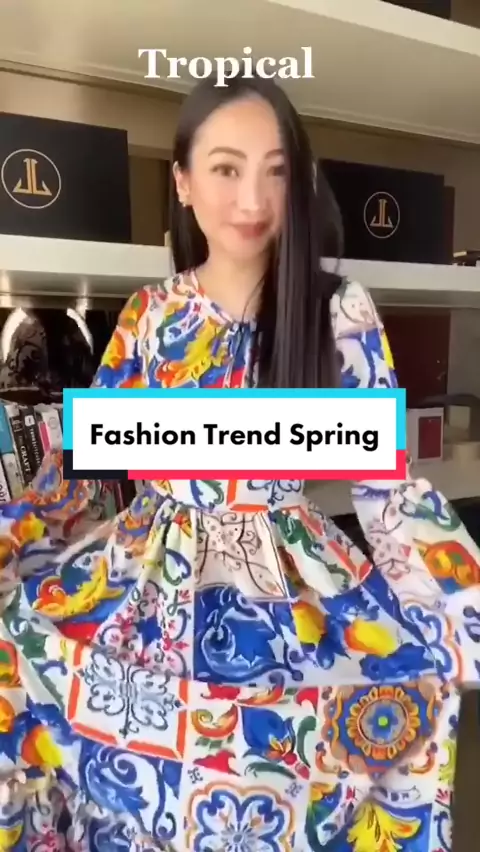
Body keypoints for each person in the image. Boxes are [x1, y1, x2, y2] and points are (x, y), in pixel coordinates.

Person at [0, 71, 476, 852]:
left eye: (275, 170)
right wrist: (16, 534)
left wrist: (460, 604)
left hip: (286, 583)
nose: (252, 198)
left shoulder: (337, 307)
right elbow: (86, 462)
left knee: (307, 761)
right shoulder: (149, 314)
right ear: (183, 182)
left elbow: (386, 484)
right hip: (148, 575)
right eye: (226, 168)